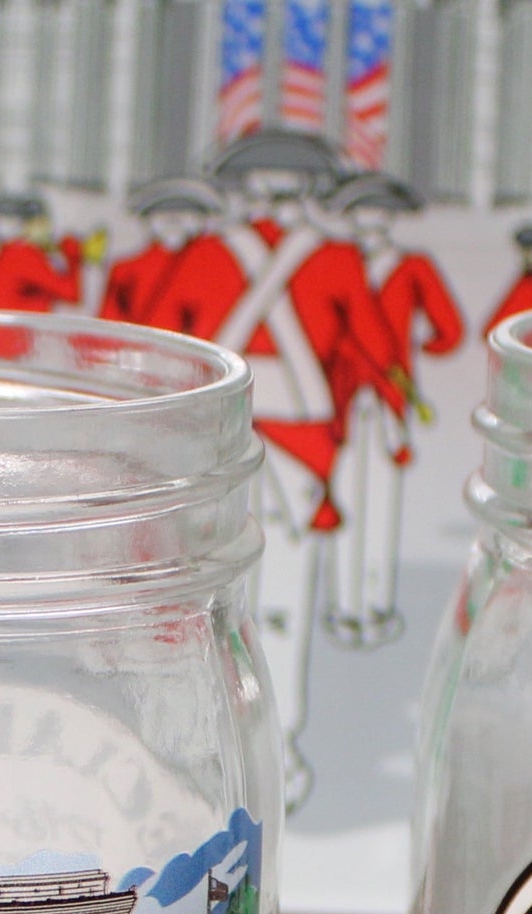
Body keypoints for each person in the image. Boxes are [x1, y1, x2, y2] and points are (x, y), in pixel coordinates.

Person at [208, 130, 407, 809]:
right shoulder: (333, 256)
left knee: (213, 603)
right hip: (283, 445)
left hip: (222, 446)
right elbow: (374, 344)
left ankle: (236, 757)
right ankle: (276, 754)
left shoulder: (213, 252)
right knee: (279, 601)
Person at [321, 170, 462, 649]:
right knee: (340, 500)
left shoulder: (412, 265)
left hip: (388, 396)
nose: (369, 219)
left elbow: (450, 330)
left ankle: (376, 604)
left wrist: (408, 346)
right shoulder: (332, 262)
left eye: (379, 210)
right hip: (337, 395)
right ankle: (345, 605)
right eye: (360, 210)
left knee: (380, 503)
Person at [104, 178, 243, 334]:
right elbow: (109, 329)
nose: (174, 220)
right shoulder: (125, 271)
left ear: (202, 220)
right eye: (163, 212)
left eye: (186, 213)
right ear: (147, 219)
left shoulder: (220, 269)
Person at [0, 195, 99, 311]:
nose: (46, 228)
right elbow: (72, 294)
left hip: (18, 325)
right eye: (40, 222)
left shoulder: (11, 251)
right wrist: (73, 256)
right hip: (19, 327)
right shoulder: (22, 255)